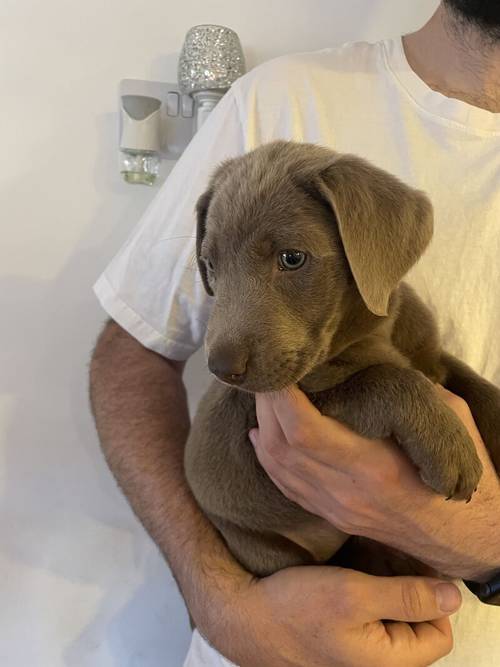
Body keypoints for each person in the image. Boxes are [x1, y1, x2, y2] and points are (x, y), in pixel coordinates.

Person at [90, 1, 500, 665]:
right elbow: (132, 353)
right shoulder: (278, 100)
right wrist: (225, 605)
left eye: (290, 260)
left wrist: (484, 542)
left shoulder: (391, 287)